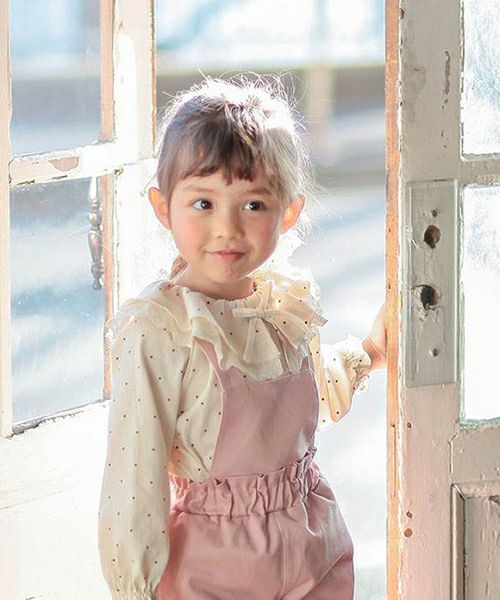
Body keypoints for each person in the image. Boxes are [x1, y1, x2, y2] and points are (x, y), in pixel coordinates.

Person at [97, 75, 387, 600]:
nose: (228, 228)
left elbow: (302, 401)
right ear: (163, 207)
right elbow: (133, 483)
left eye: (253, 205)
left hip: (313, 552)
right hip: (213, 572)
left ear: (288, 212)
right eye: (203, 204)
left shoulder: (284, 305)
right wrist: (134, 588)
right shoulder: (162, 329)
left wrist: (369, 353)